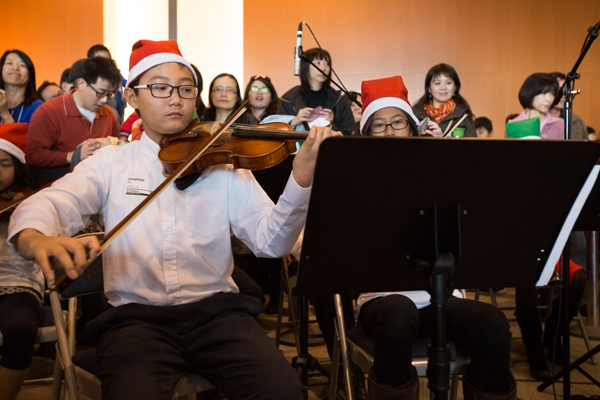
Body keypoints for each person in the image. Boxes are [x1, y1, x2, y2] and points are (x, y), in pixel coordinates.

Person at [8, 39, 337, 400]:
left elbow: (273, 243)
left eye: (186, 89)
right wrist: (35, 237)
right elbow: (53, 202)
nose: (176, 98)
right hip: (136, 322)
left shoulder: (222, 163)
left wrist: (301, 180)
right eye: (160, 88)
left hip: (219, 316)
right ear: (132, 98)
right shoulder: (111, 163)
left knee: (286, 393)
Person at [356, 75, 515, 400]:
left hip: (437, 296)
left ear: (412, 126)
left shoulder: (436, 173)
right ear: (366, 132)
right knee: (398, 311)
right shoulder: (357, 179)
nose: (389, 131)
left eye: (397, 122)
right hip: (382, 302)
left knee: (493, 323)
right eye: (378, 124)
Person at [0, 123, 43, 400]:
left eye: (4, 164)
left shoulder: (28, 202)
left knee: (21, 328)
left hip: (17, 284)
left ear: (17, 167)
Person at [25, 57, 120, 182]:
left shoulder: (108, 115)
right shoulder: (48, 112)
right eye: (100, 93)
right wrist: (73, 156)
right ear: (81, 84)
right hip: (59, 188)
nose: (105, 100)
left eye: (110, 94)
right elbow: (32, 156)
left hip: (100, 185)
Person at [278, 47, 356, 135]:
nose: (323, 68)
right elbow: (277, 133)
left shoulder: (339, 100)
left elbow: (351, 135)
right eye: (318, 63)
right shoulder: (289, 99)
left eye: (327, 64)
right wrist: (295, 121)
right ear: (305, 66)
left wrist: (331, 125)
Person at [412, 63, 475, 137]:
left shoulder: (463, 115)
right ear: (429, 88)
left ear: (455, 87)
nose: (443, 88)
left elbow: (473, 147)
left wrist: (442, 141)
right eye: (437, 83)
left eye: (448, 83)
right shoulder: (416, 114)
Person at [506, 73, 563, 140]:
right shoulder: (514, 124)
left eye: (552, 93)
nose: (549, 99)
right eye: (543, 93)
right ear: (530, 92)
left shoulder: (559, 125)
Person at [87, 44, 128, 126]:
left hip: (117, 107)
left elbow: (126, 83)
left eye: (108, 60)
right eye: (101, 61)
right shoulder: (89, 81)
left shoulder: (116, 75)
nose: (105, 64)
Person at [0, 50, 43, 124]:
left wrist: (5, 114)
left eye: (22, 65)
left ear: (30, 75)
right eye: (9, 63)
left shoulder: (38, 107)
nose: (15, 68)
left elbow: (30, 136)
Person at [549, 71, 587, 140]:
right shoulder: (537, 119)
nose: (563, 95)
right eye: (559, 91)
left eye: (566, 90)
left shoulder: (576, 120)